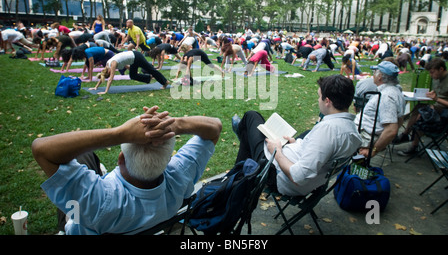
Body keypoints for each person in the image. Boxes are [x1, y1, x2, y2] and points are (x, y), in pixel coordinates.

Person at [32, 105, 222, 235]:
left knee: (77, 162)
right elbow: (215, 127)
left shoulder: (98, 199)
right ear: (168, 161)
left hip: (80, 221)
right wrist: (176, 124)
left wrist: (119, 133)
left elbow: (41, 149)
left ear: (121, 158)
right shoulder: (180, 175)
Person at [232, 74, 362, 196]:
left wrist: (276, 152)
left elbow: (298, 176)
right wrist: (297, 144)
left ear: (327, 101)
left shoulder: (328, 130)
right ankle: (240, 171)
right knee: (258, 130)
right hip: (306, 174)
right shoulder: (353, 130)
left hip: (277, 175)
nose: (318, 100)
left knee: (251, 116)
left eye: (319, 96)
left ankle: (237, 180)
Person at [395, 58, 448, 156]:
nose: (431, 76)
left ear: (441, 69)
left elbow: (441, 100)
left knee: (421, 115)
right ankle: (406, 134)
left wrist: (436, 99)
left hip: (445, 112)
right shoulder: (437, 79)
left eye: (432, 72)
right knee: (419, 108)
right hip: (436, 106)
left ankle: (412, 144)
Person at [355, 61, 405, 158]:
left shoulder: (387, 96)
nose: (373, 75)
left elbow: (391, 130)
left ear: (380, 77)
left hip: (365, 137)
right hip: (365, 134)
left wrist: (373, 150)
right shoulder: (395, 91)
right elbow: (400, 120)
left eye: (374, 72)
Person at [89, 50, 170, 95]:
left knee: (151, 70)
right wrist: (96, 87)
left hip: (137, 56)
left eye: (110, 73)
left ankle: (165, 82)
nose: (111, 73)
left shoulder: (112, 63)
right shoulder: (107, 66)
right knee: (133, 75)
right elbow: (103, 74)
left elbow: (111, 78)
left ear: (109, 71)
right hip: (133, 60)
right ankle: (149, 77)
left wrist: (105, 91)